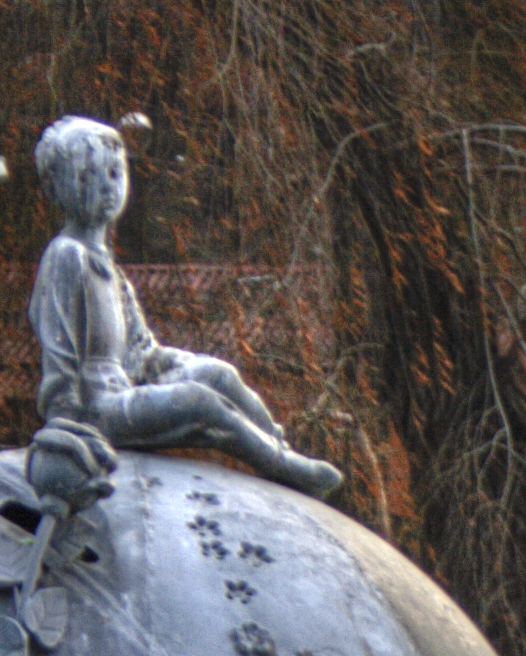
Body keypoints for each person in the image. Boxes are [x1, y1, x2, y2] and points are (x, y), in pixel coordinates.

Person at [27, 115, 341, 496]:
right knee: (198, 403)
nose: (106, 186)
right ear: (58, 188)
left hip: (125, 388)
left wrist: (180, 363)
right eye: (87, 176)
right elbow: (59, 356)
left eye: (114, 172)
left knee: (218, 374)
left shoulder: (114, 273)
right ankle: (280, 465)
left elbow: (144, 353)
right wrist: (66, 423)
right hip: (97, 410)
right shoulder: (66, 256)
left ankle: (279, 444)